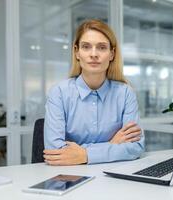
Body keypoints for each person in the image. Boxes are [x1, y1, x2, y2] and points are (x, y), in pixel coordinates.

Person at [43, 19, 145, 165]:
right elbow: (55, 151)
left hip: (114, 177)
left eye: (102, 47)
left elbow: (136, 146)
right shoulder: (59, 93)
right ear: (76, 52)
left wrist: (84, 154)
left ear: (112, 54)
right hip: (70, 176)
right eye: (86, 47)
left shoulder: (125, 93)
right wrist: (112, 144)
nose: (94, 54)